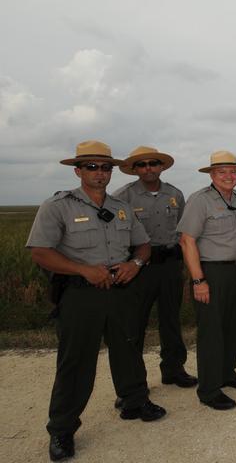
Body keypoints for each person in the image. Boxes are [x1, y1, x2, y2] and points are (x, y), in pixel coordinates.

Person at [26, 141, 165, 461]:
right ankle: (62, 429)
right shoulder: (58, 206)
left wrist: (135, 264)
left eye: (105, 167)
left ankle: (134, 401)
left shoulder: (121, 207)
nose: (99, 173)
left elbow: (143, 245)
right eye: (91, 167)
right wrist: (83, 270)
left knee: (128, 348)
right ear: (78, 171)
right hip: (80, 294)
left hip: (121, 290)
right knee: (76, 361)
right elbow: (40, 252)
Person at [114, 146, 196, 389]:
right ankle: (133, 383)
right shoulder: (123, 197)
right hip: (140, 268)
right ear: (135, 169)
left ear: (161, 167)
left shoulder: (175, 194)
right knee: (134, 324)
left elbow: (182, 231)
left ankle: (173, 369)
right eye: (142, 164)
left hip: (170, 264)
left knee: (171, 320)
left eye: (153, 163)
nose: (148, 168)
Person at [178, 150, 236, 411]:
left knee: (233, 326)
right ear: (212, 174)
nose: (229, 176)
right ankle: (209, 390)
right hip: (211, 272)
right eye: (222, 172)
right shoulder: (200, 200)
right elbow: (186, 241)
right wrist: (198, 280)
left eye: (233, 171)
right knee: (211, 332)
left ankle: (227, 373)